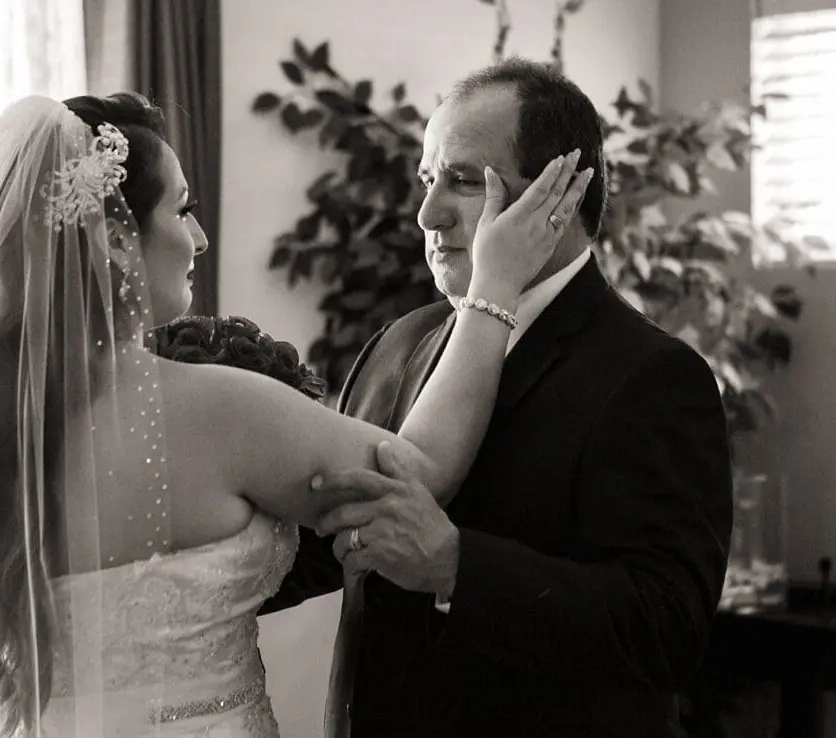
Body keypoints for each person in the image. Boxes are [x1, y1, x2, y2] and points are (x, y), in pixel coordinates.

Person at [0, 90, 588, 737]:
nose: (199, 237)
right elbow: (416, 472)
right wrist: (493, 289)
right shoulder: (213, 408)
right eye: (181, 210)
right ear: (115, 243)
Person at [265, 58, 734, 738]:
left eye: (462, 181)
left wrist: (456, 566)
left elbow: (668, 627)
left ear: (558, 196)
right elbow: (326, 537)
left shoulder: (654, 375)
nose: (427, 214)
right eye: (427, 180)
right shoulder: (397, 344)